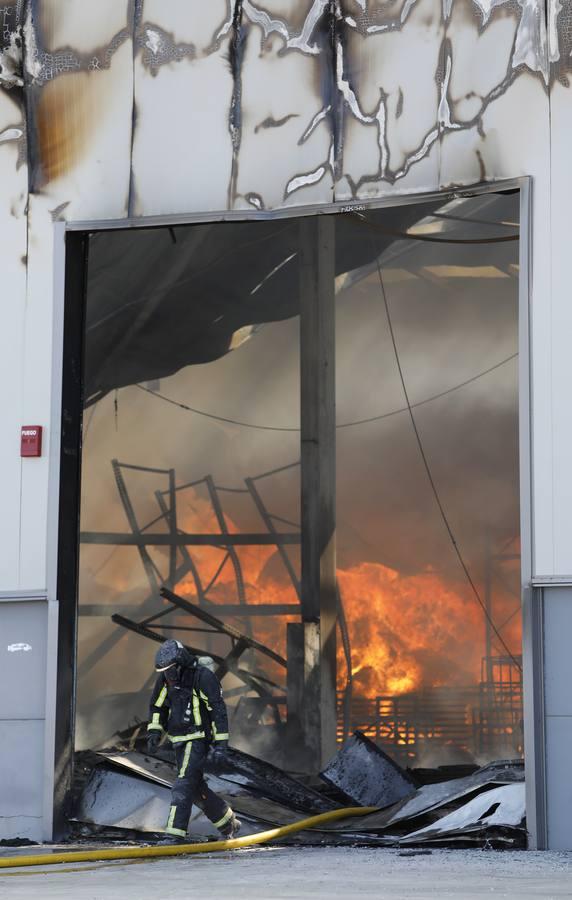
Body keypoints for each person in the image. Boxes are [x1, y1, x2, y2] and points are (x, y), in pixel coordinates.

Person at [147, 639, 241, 843]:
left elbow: (217, 710)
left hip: (197, 739)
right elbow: (157, 706)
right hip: (178, 740)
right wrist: (155, 730)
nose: (168, 674)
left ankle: (175, 833)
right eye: (165, 671)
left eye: (171, 669)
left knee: (182, 785)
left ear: (180, 663)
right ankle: (228, 822)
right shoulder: (165, 680)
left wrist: (221, 744)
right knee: (196, 788)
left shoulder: (202, 677)